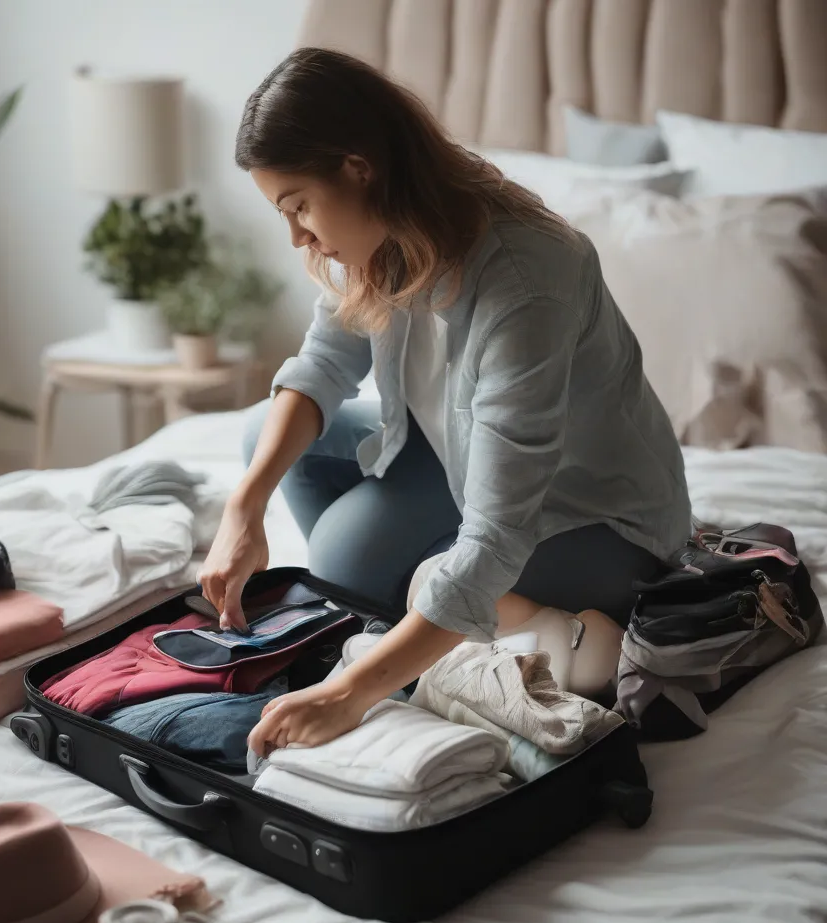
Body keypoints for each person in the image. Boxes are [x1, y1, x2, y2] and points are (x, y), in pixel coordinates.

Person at [199, 48, 691, 756]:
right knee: (273, 456)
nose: (298, 236)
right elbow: (324, 361)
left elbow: (496, 535)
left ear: (357, 167)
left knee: (408, 579)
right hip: (461, 460)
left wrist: (349, 692)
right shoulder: (387, 229)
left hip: (592, 515)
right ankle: (447, 607)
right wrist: (243, 508)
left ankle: (549, 629)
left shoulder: (526, 280)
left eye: (299, 206)